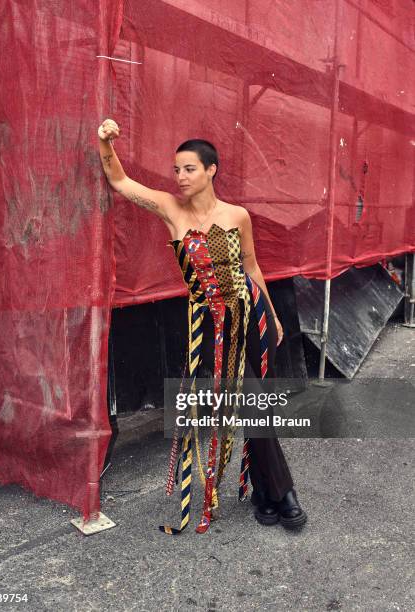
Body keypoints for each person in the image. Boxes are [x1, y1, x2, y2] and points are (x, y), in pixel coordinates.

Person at [98, 118, 307, 534]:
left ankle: (268, 493)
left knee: (255, 403)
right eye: (176, 170)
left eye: (189, 168)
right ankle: (283, 493)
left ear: (212, 169)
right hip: (212, 324)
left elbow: (251, 265)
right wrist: (106, 143)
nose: (180, 177)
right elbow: (120, 182)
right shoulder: (171, 209)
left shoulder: (238, 215)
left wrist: (273, 314)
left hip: (252, 312)